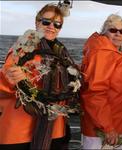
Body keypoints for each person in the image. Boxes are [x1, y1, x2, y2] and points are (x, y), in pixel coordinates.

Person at [0, 3, 79, 150]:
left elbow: (71, 83)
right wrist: (12, 78)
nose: (51, 27)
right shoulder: (22, 48)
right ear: (37, 22)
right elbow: (3, 83)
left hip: (54, 127)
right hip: (20, 129)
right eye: (46, 22)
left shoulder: (62, 53)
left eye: (57, 24)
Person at [80, 14, 122, 149]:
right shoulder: (103, 53)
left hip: (117, 124)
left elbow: (111, 73)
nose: (118, 34)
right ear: (104, 32)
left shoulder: (117, 52)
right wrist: (107, 127)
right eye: (113, 30)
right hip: (106, 128)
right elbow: (95, 92)